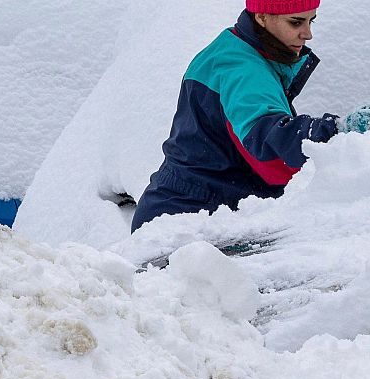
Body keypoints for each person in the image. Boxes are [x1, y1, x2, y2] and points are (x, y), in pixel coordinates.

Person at [131, 0, 342, 232]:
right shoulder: (242, 68)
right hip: (188, 224)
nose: (308, 34)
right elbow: (267, 143)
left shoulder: (235, 46)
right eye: (295, 22)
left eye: (311, 21)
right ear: (262, 17)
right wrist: (338, 133)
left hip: (184, 206)